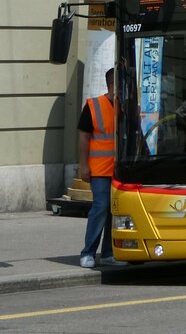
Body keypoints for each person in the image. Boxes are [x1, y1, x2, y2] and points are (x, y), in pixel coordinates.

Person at [78, 68, 124, 268]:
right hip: (99, 170)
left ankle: (108, 253)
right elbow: (83, 137)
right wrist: (83, 165)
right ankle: (88, 252)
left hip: (120, 171)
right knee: (101, 207)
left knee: (115, 211)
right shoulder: (93, 106)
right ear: (112, 84)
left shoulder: (125, 106)